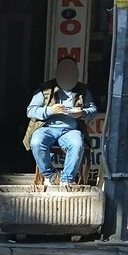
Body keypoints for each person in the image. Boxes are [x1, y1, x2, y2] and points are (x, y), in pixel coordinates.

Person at [23, 56, 98, 189]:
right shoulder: (46, 89)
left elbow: (93, 110)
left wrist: (82, 113)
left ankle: (67, 179)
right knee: (36, 142)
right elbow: (31, 111)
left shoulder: (82, 90)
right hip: (47, 128)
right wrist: (50, 110)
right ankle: (51, 176)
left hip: (71, 130)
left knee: (77, 143)